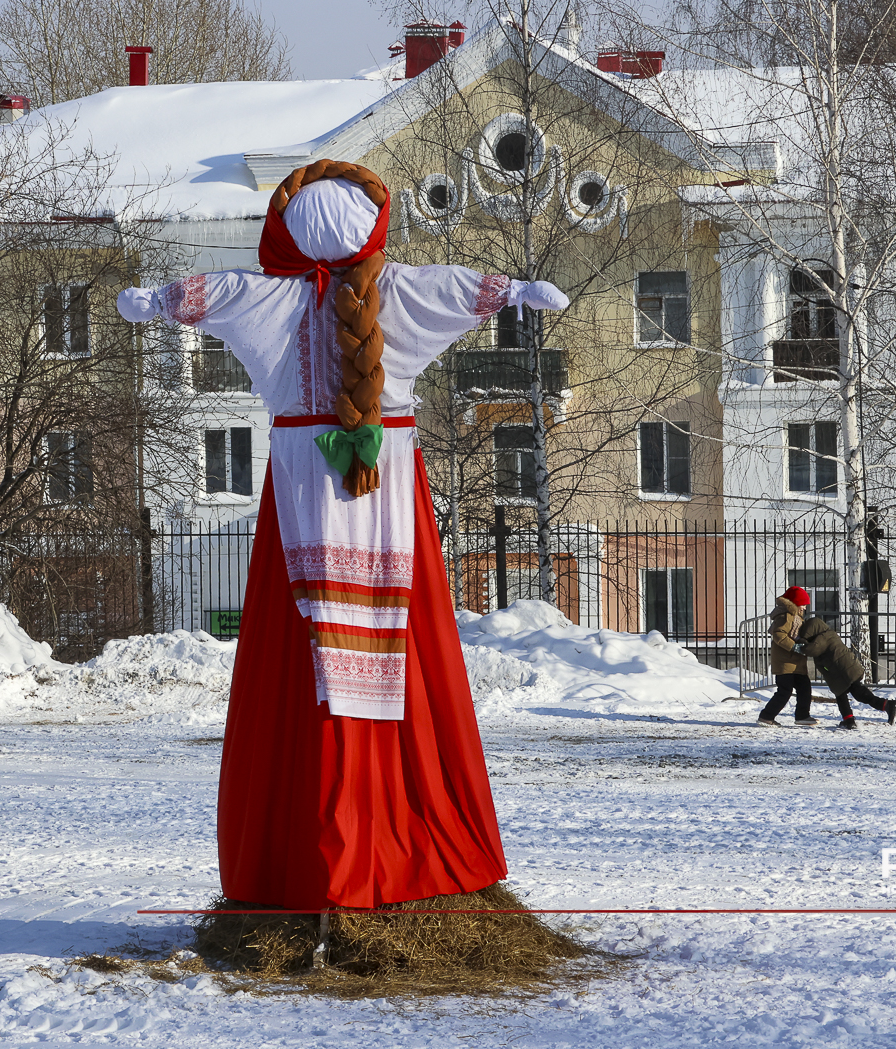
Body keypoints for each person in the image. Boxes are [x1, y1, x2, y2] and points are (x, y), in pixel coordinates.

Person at [117, 161, 569, 910]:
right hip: (389, 498)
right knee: (408, 653)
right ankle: (408, 833)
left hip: (300, 497)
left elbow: (210, 292)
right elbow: (455, 287)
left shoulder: (270, 298)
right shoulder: (396, 292)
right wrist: (517, 292)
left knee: (295, 661)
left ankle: (301, 851)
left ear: (289, 231)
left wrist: (152, 303)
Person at [795, 614, 896, 729]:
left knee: (855, 693)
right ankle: (851, 719)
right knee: (847, 694)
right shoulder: (828, 635)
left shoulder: (821, 640)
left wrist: (800, 643)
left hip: (843, 671)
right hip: (844, 669)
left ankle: (885, 705)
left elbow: (810, 649)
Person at [758, 586, 820, 726]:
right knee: (785, 691)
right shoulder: (786, 616)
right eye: (803, 604)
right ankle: (766, 716)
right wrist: (794, 646)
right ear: (795, 603)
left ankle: (802, 716)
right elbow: (779, 635)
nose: (804, 608)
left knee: (804, 688)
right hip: (785, 662)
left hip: (794, 662)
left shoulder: (794, 617)